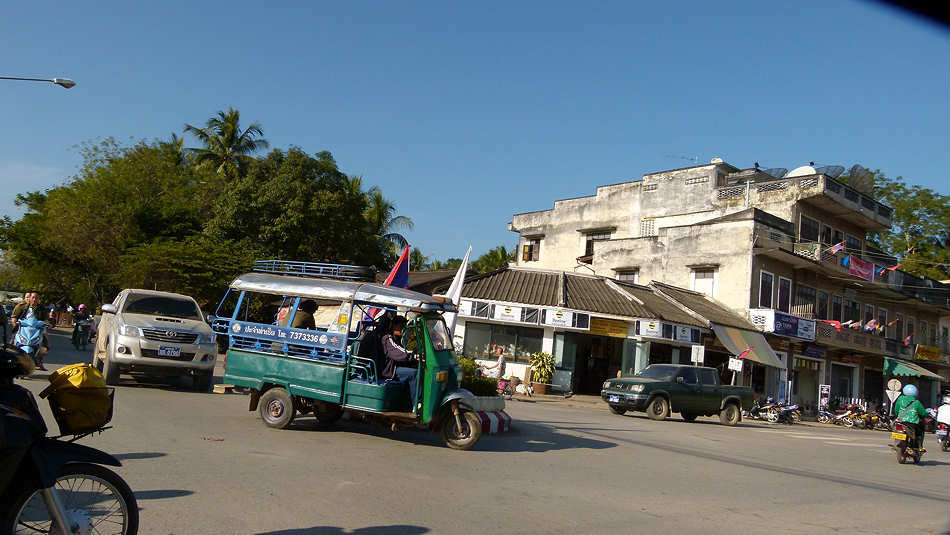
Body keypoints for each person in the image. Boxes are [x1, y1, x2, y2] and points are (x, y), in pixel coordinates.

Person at [381, 316, 418, 403]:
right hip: (389, 371)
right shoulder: (387, 338)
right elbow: (399, 353)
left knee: (416, 367)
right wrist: (413, 356)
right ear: (394, 325)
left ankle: (406, 400)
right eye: (401, 325)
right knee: (414, 373)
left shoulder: (396, 338)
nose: (403, 328)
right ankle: (416, 404)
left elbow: (403, 350)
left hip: (395, 367)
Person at [11, 291, 50, 370]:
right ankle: (11, 358)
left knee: (45, 343)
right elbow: (14, 317)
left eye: (37, 298)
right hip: (23, 328)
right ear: (29, 298)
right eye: (33, 297)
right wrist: (15, 323)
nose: (34, 299)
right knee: (12, 341)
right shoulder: (22, 306)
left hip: (37, 329)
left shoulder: (42, 308)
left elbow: (46, 319)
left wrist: (47, 323)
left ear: (39, 299)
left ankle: (40, 361)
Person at [893, 384, 930, 452]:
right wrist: (926, 415)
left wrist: (898, 416)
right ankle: (918, 446)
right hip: (912, 423)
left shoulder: (900, 399)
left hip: (900, 421)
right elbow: (923, 413)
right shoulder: (917, 402)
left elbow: (896, 410)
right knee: (919, 431)